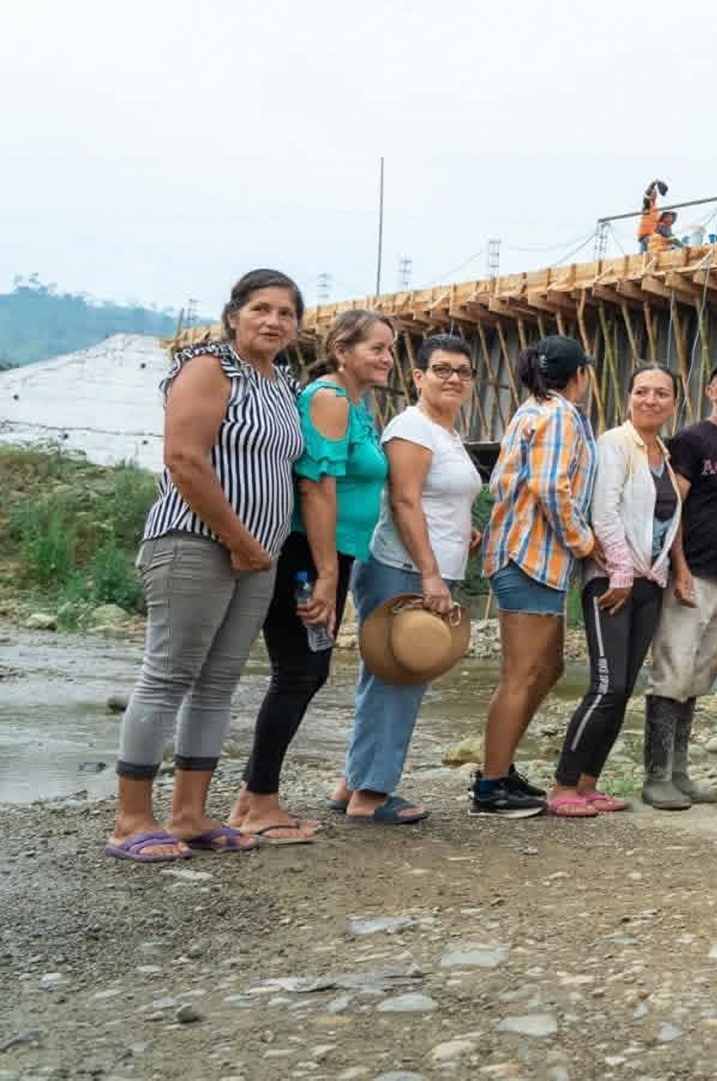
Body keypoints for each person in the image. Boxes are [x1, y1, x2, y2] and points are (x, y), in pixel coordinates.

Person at [106, 269, 305, 862]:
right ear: (233, 314)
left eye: (286, 313)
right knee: (168, 675)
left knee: (218, 683)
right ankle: (130, 821)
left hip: (257, 556)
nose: (273, 321)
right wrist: (237, 538)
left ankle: (190, 815)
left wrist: (258, 549)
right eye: (261, 308)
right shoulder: (210, 368)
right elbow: (184, 459)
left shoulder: (282, 383)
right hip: (195, 542)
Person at [230, 308, 394, 844]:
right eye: (376, 348)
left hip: (331, 556)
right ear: (342, 350)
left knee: (307, 671)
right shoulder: (328, 399)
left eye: (390, 349)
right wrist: (325, 574)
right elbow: (315, 488)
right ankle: (259, 803)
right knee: (298, 672)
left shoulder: (354, 405)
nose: (387, 358)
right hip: (307, 555)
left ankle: (251, 799)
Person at [333, 332, 485, 825]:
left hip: (422, 569)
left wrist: (463, 531)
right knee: (400, 676)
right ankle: (372, 795)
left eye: (462, 372)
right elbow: (403, 501)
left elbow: (435, 500)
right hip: (403, 570)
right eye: (442, 369)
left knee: (386, 675)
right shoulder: (413, 427)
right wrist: (431, 574)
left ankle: (353, 783)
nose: (453, 379)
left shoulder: (445, 432)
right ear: (418, 377)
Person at [549, 363, 685, 816]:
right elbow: (603, 512)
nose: (651, 400)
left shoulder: (662, 453)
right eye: (642, 391)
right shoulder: (614, 443)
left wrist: (662, 573)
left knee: (624, 688)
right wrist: (622, 574)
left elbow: (662, 522)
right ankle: (563, 786)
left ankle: (589, 784)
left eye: (661, 393)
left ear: (674, 403)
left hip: (649, 583)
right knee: (607, 685)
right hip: (612, 582)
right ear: (629, 397)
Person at [473, 335, 598, 817]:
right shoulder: (560, 413)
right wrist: (585, 542)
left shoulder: (532, 410)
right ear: (579, 374)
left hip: (533, 559)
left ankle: (499, 768)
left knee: (548, 669)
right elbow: (550, 486)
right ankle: (490, 786)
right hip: (530, 556)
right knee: (523, 674)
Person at [651, 356, 717, 801]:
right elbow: (673, 507)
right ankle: (657, 778)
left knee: (698, 676)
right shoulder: (692, 440)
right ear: (711, 391)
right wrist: (679, 568)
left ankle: (680, 773)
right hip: (692, 572)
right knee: (672, 672)